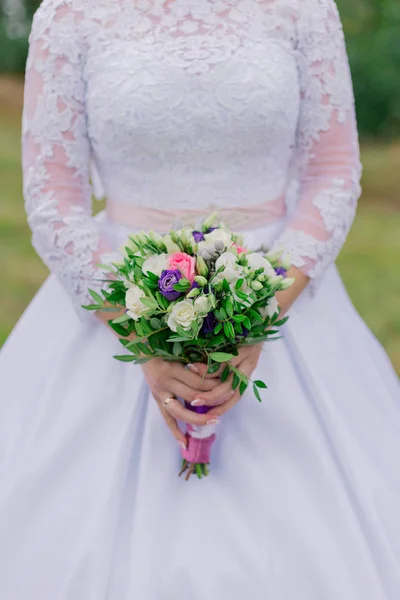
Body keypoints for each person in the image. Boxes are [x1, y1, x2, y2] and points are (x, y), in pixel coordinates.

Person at [0, 0, 399, 597]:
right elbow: (54, 195)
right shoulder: (71, 13)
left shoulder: (304, 9)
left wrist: (258, 311)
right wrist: (145, 336)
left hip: (277, 293)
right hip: (122, 291)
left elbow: (333, 173)